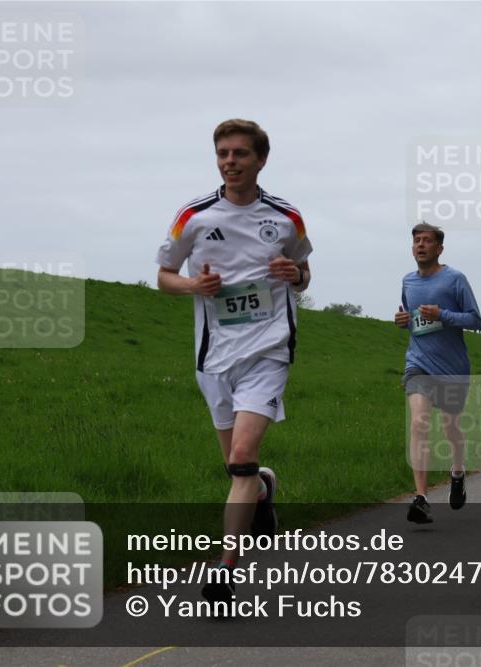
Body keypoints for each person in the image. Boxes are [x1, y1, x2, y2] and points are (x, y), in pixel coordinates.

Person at [155, 119, 312, 603]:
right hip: (215, 356)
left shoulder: (286, 217)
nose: (230, 162)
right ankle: (263, 491)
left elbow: (302, 271)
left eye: (240, 153)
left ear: (261, 159)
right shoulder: (194, 216)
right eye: (222, 153)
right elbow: (163, 275)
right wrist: (192, 286)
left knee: (242, 458)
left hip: (269, 349)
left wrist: (295, 273)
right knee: (236, 467)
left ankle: (224, 569)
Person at [394, 223, 481, 524]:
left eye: (427, 241)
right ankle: (421, 498)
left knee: (450, 429)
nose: (420, 245)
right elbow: (413, 320)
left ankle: (457, 472)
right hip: (418, 362)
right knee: (419, 422)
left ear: (439, 248)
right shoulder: (407, 281)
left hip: (453, 367)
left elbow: (475, 320)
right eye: (416, 241)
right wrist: (403, 320)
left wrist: (442, 315)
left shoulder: (455, 279)